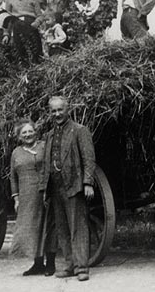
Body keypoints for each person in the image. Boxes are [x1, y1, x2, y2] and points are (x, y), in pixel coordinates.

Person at [40, 96, 95, 282]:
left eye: (60, 110)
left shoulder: (80, 131)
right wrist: (44, 189)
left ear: (67, 109)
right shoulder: (48, 135)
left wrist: (88, 183)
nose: (56, 114)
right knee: (62, 229)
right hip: (55, 188)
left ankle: (82, 268)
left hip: (73, 186)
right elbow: (46, 164)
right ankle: (70, 265)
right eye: (53, 111)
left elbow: (88, 159)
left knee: (77, 227)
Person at [9, 119, 57, 275]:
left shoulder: (44, 146)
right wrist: (16, 198)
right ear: (19, 136)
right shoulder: (16, 152)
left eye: (30, 131)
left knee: (47, 226)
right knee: (31, 228)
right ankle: (37, 263)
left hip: (44, 192)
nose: (28, 134)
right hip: (26, 196)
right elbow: (13, 177)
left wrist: (48, 190)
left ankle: (50, 264)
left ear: (36, 132)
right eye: (24, 132)